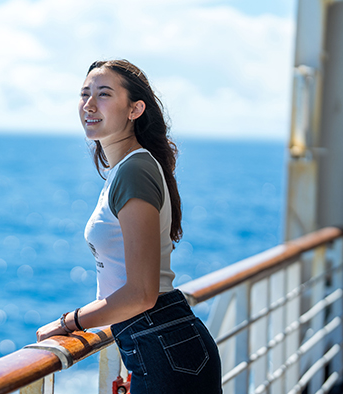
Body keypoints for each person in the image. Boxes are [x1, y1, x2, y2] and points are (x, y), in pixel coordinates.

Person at [36, 60, 222, 393]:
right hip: (157, 344)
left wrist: (68, 322)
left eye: (104, 94)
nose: (90, 104)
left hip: (163, 348)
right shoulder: (129, 167)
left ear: (135, 109)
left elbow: (141, 292)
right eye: (84, 94)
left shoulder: (134, 170)